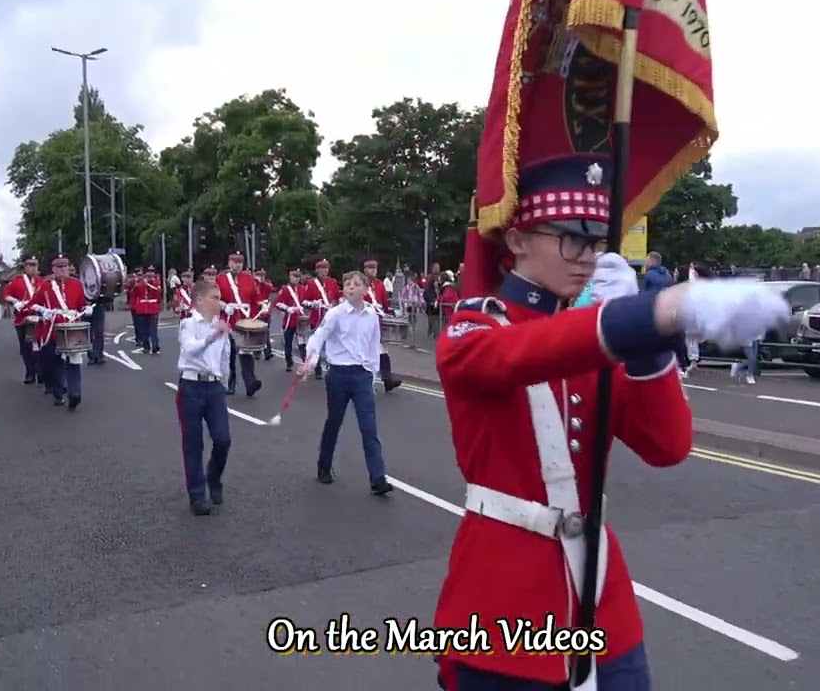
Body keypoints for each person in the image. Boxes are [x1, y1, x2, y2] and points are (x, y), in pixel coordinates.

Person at [435, 153, 790, 690]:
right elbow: (519, 355)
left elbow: (666, 445)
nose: (587, 256)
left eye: (597, 242)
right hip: (503, 606)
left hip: (602, 600)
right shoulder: (475, 326)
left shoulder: (596, 332)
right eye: (570, 238)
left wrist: (647, 346)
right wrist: (653, 315)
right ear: (517, 240)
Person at [300, 271, 392, 495]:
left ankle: (377, 478)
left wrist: (372, 374)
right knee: (334, 422)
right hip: (338, 375)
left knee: (369, 427)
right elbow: (318, 337)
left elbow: (374, 346)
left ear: (365, 289)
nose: (350, 287)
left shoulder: (371, 315)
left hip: (361, 376)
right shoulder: (335, 314)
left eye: (356, 284)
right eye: (347, 284)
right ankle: (324, 466)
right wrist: (310, 360)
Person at [176, 279, 233, 516]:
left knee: (223, 439)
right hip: (190, 386)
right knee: (193, 443)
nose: (219, 302)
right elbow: (190, 348)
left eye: (219, 298)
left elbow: (225, 357)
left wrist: (224, 382)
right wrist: (212, 336)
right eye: (214, 297)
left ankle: (214, 477)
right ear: (199, 300)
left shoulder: (221, 327)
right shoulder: (188, 324)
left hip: (213, 388)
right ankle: (197, 495)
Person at [29, 253, 94, 410]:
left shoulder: (77, 284)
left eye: (65, 266)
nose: (63, 269)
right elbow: (33, 304)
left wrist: (87, 309)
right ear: (53, 269)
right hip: (52, 328)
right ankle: (58, 392)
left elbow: (81, 304)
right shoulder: (46, 285)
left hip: (72, 327)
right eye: (59, 267)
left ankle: (74, 393)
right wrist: (43, 310)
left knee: (74, 360)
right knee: (53, 363)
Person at [219, 251, 264, 396]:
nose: (238, 265)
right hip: (229, 319)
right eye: (235, 262)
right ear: (229, 263)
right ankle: (230, 383)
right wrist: (224, 306)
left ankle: (250, 384)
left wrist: (263, 305)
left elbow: (256, 297)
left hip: (245, 319)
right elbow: (214, 298)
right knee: (230, 354)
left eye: (240, 262)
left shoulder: (248, 278)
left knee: (246, 352)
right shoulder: (221, 279)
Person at [2, 257, 44, 384]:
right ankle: (30, 372)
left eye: (35, 265)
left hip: (39, 317)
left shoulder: (42, 281)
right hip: (22, 318)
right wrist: (15, 302)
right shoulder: (17, 281)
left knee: (40, 345)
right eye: (30, 265)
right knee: (25, 346)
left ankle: (40, 372)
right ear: (25, 267)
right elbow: (6, 295)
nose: (33, 267)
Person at [363, 257, 402, 391]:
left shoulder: (379, 284)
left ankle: (387, 379)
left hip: (377, 323)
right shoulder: (360, 284)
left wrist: (391, 311)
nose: (373, 270)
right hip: (364, 323)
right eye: (370, 268)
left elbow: (385, 304)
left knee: (382, 350)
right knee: (368, 353)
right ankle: (372, 380)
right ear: (365, 270)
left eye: (375, 268)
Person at [299, 258, 341, 380]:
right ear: (317, 270)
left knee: (331, 344)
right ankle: (317, 369)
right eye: (322, 268)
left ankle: (331, 367)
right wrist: (313, 304)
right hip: (317, 318)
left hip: (331, 318)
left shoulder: (332, 282)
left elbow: (338, 297)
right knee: (316, 344)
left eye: (326, 268)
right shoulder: (311, 284)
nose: (325, 271)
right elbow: (304, 301)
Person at [273, 267, 305, 372]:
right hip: (289, 319)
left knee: (302, 342)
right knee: (288, 342)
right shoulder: (285, 289)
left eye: (298, 277)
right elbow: (277, 303)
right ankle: (289, 363)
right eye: (294, 276)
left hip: (300, 319)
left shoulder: (302, 288)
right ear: (290, 277)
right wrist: (287, 308)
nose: (296, 279)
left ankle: (304, 362)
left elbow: (305, 301)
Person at [253, 267, 276, 360]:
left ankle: (267, 352)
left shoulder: (266, 285)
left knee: (265, 332)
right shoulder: (253, 285)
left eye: (263, 275)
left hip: (265, 313)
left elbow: (274, 289)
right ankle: (257, 352)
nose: (261, 277)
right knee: (258, 333)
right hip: (257, 313)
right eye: (259, 275)